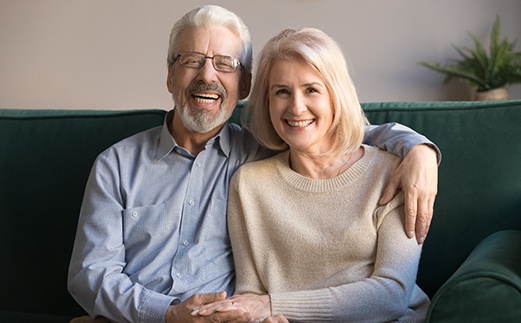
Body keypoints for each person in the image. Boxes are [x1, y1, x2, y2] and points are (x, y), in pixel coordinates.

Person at [68, 5, 438, 323]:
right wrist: (166, 313)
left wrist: (419, 149)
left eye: (224, 64)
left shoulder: (262, 150)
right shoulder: (117, 164)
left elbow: (335, 134)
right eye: (191, 61)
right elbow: (90, 274)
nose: (207, 76)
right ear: (169, 74)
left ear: (244, 85)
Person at [193, 27, 430, 322]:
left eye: (311, 90)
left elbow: (392, 294)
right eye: (282, 91)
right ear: (267, 102)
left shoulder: (392, 171)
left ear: (336, 96)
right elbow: (251, 293)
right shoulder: (248, 184)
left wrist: (271, 306)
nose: (296, 107)